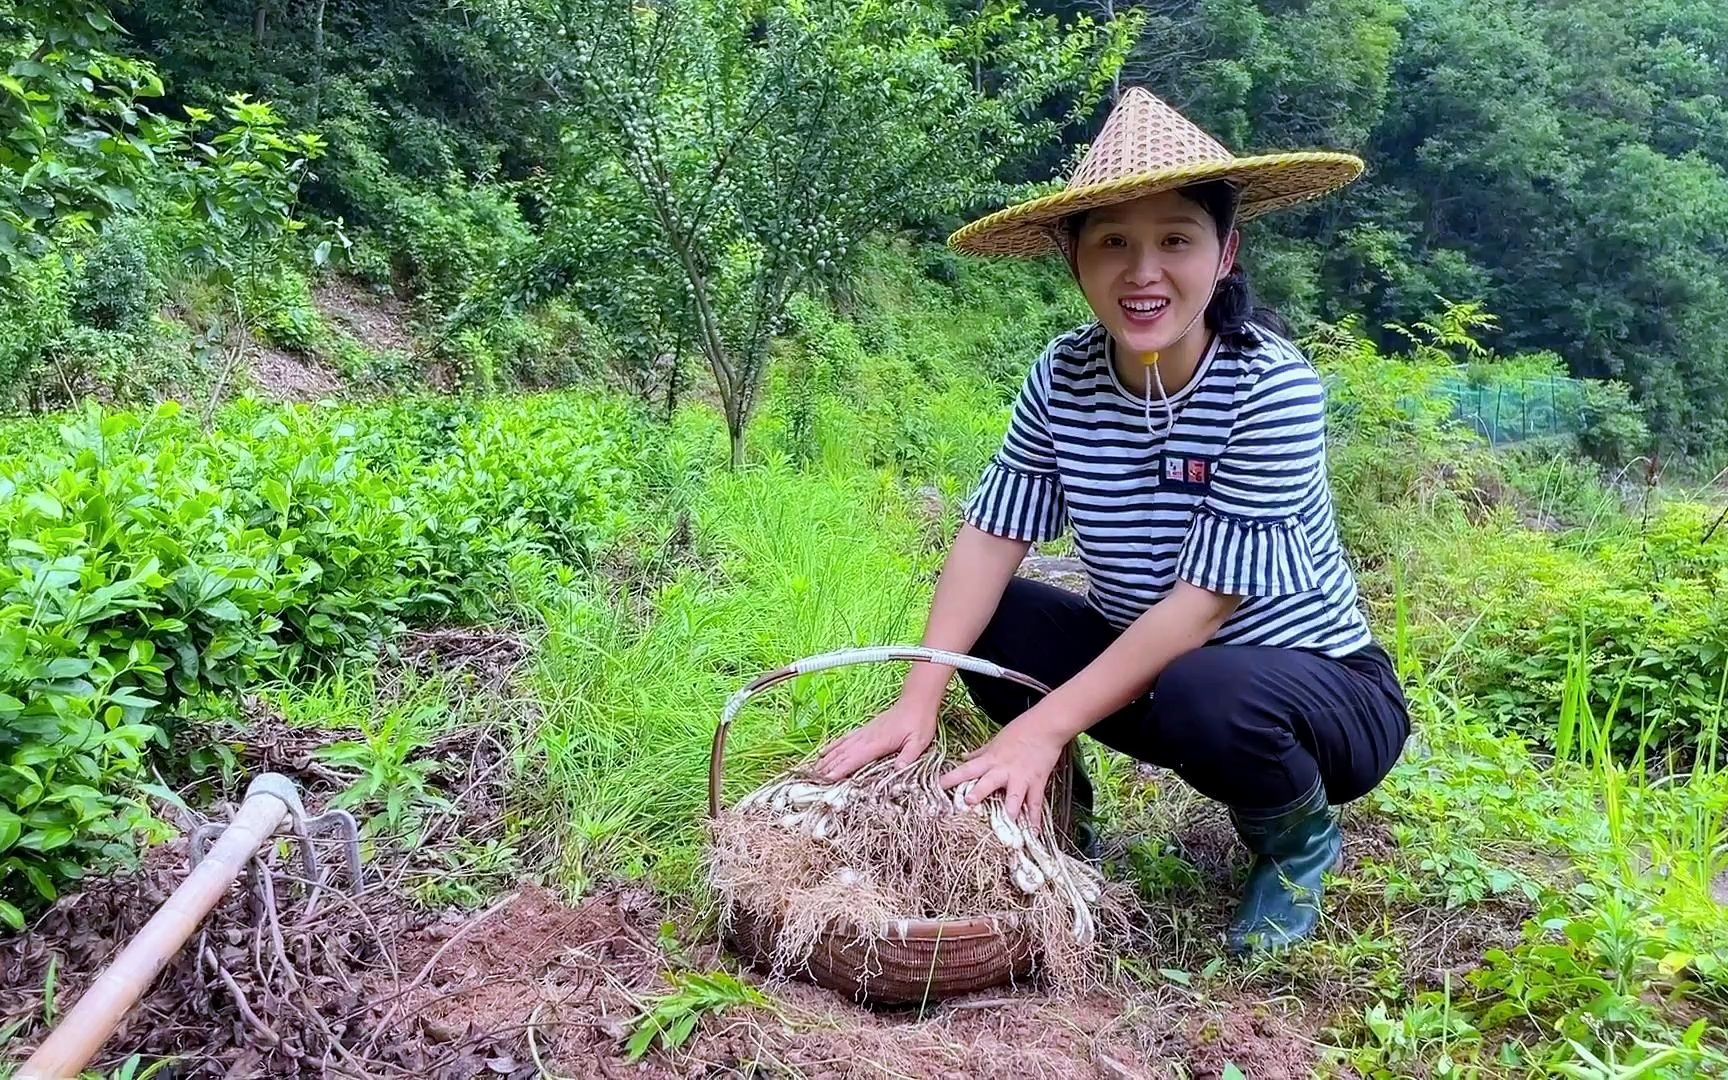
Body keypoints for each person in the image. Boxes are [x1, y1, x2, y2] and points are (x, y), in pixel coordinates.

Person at [815, 87, 1411, 956]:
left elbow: (1206, 608)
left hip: (1317, 695)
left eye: (1176, 239)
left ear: (1226, 252)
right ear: (1074, 259)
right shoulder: (1064, 374)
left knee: (1213, 686)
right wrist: (921, 694)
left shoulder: (1271, 387)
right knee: (1005, 619)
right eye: (1114, 244)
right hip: (1156, 680)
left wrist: (1041, 723)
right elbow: (990, 533)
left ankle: (1296, 843)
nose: (1143, 272)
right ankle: (1057, 819)